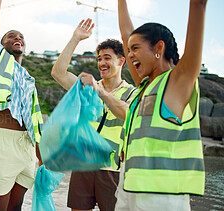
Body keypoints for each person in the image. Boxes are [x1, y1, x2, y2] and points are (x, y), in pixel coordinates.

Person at [114, 0, 207, 210]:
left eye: (135, 48)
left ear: (159, 48)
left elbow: (199, 5)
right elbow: (125, 32)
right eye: (128, 50)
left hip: (161, 195)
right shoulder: (144, 87)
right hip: (129, 185)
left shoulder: (178, 81)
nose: (129, 55)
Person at [51, 18, 135, 211]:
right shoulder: (88, 87)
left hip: (112, 170)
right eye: (99, 58)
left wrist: (100, 92)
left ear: (121, 61)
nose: (101, 63)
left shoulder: (132, 93)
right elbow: (58, 73)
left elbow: (126, 113)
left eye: (107, 58)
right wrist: (75, 39)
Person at [0, 0, 44, 210]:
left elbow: (35, 120)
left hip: (26, 147)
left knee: (15, 208)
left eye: (21, 37)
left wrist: (41, 158)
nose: (17, 38)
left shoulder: (28, 78)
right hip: (0, 145)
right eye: (11, 36)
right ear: (1, 44)